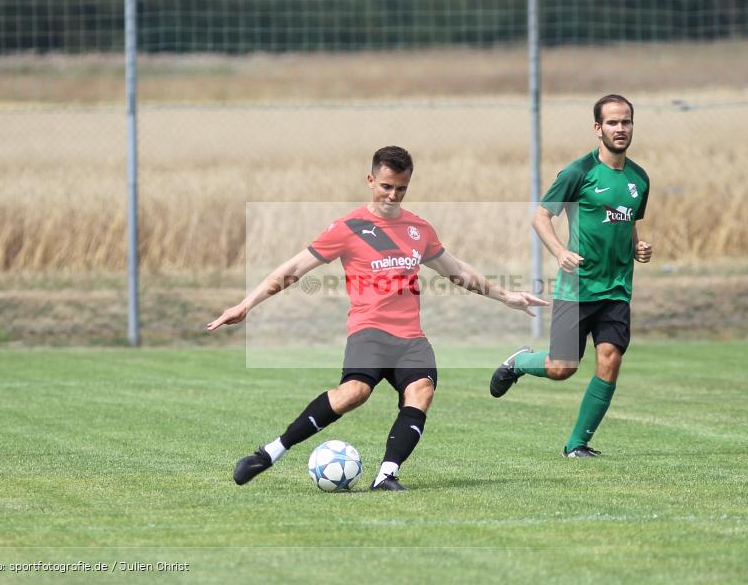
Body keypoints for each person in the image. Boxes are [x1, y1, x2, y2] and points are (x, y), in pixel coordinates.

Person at [208, 146, 547, 490]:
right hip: (369, 330)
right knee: (354, 393)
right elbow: (294, 269)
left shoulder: (419, 229)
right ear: (370, 180)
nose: (392, 195)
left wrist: (507, 296)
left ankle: (386, 475)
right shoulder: (348, 228)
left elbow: (457, 271)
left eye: (400, 188)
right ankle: (270, 453)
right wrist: (246, 305)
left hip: (410, 336)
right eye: (386, 186)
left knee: (421, 391)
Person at [489, 94, 653, 458]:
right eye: (612, 122)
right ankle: (518, 362)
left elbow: (629, 223)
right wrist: (560, 251)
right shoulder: (578, 172)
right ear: (598, 129)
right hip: (576, 288)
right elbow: (541, 216)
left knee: (610, 360)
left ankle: (577, 444)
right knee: (562, 368)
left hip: (616, 289)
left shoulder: (638, 178)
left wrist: (639, 248)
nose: (620, 128)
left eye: (626, 121)